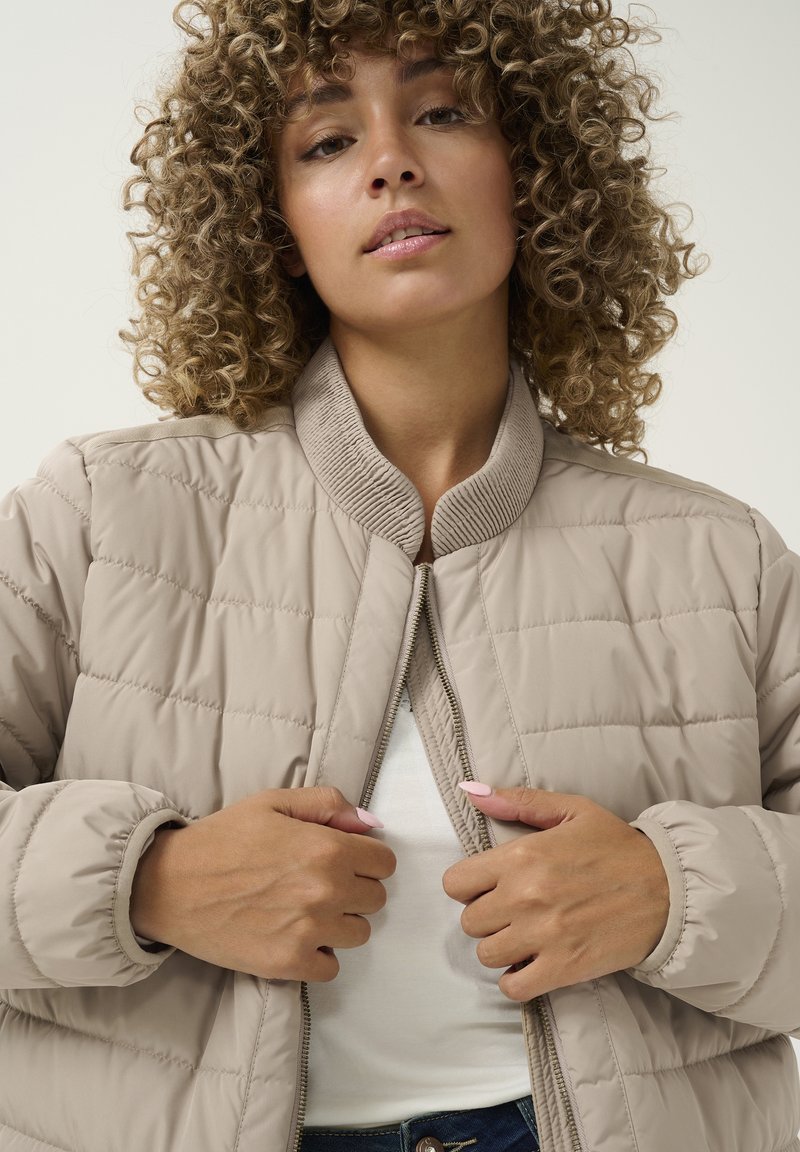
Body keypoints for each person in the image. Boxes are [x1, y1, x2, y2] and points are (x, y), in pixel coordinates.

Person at [0, 2, 798, 1151]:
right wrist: (145, 883)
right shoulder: (100, 515)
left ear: (534, 176)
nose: (390, 163)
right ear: (273, 224)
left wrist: (676, 896)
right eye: (327, 141)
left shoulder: (719, 557)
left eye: (441, 113)